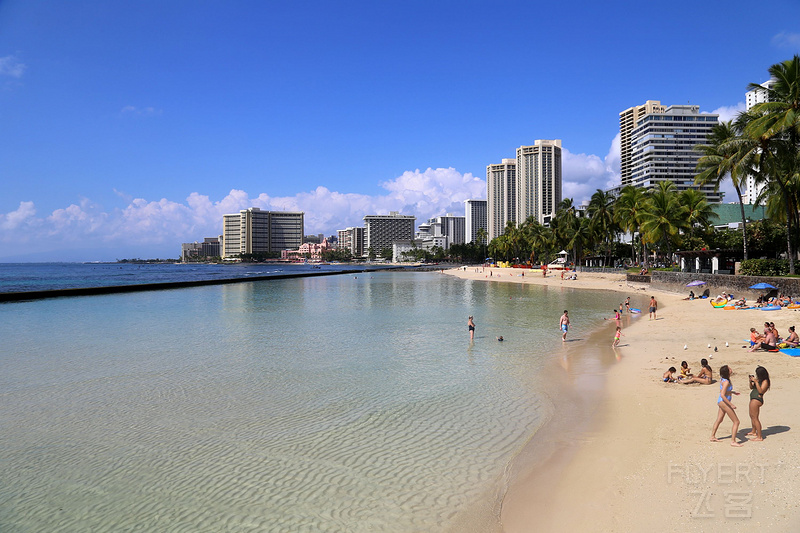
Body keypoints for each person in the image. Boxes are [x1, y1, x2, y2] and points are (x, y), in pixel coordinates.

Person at [711, 365, 743, 446]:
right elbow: (722, 394)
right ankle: (733, 441)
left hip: (721, 401)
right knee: (736, 421)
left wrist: (732, 392)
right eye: (729, 368)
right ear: (727, 372)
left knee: (719, 419)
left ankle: (712, 436)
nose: (731, 369)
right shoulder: (726, 382)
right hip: (724, 402)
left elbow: (724, 391)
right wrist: (731, 405)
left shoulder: (724, 380)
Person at [746, 366, 770, 441]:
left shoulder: (765, 381)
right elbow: (751, 387)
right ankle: (753, 431)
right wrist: (751, 382)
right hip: (753, 399)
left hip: (757, 400)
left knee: (755, 418)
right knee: (752, 416)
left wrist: (756, 382)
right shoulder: (759, 380)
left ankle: (759, 436)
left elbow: (761, 391)